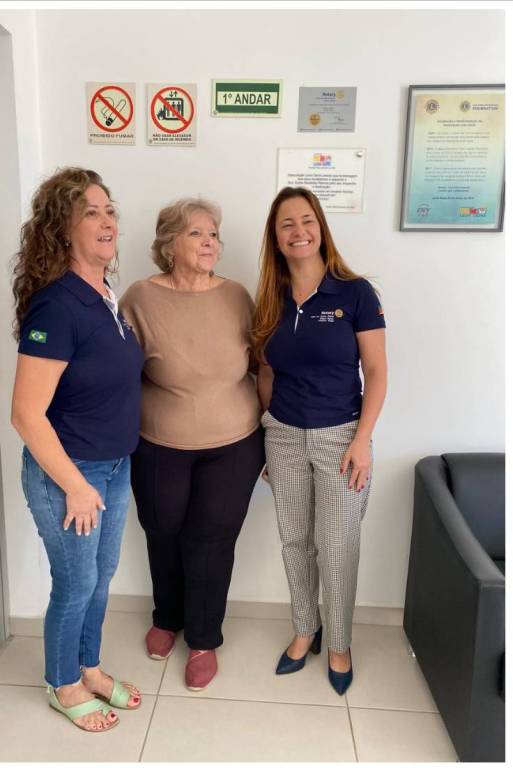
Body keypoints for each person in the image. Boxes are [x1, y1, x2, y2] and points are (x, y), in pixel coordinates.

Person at [11, 167, 145, 731]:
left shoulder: (106, 296)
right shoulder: (57, 306)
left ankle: (89, 668)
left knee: (101, 574)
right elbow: (25, 414)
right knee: (77, 582)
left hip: (113, 466)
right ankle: (62, 682)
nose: (106, 219)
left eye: (109, 209)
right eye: (90, 212)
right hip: (70, 474)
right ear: (63, 229)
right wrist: (76, 485)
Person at [119, 198, 265, 692]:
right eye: (196, 233)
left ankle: (203, 639)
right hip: (159, 442)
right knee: (162, 530)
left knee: (212, 540)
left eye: (214, 234)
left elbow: (261, 364)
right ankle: (167, 617)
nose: (210, 243)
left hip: (235, 442)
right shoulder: (140, 298)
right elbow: (120, 372)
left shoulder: (236, 296)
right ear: (168, 244)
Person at [253, 186, 387, 695]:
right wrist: (268, 429)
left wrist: (363, 440)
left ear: (321, 228)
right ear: (276, 238)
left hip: (342, 439)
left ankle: (340, 643)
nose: (299, 231)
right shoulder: (270, 299)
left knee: (337, 546)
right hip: (284, 436)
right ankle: (305, 629)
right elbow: (266, 372)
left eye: (306, 220)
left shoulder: (356, 293)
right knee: (294, 540)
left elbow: (377, 373)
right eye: (287, 224)